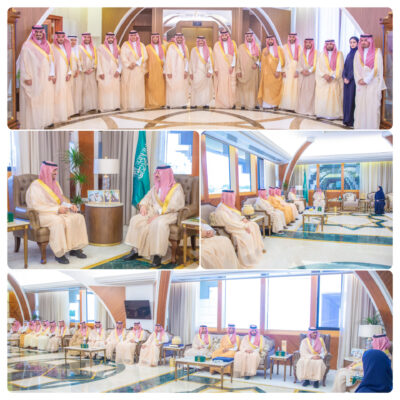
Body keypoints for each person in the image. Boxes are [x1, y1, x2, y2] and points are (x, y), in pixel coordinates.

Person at [26, 161, 89, 264]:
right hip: (42, 215)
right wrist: (56, 210)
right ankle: (59, 254)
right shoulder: (35, 186)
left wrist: (69, 206)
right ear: (47, 171)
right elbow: (36, 206)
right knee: (58, 221)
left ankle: (75, 248)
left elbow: (60, 201)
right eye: (54, 170)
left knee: (78, 217)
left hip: (57, 212)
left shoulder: (55, 184)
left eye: (56, 170)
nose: (56, 173)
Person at [124, 165, 185, 267]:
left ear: (165, 174)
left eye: (158, 173)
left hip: (168, 214)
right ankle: (135, 250)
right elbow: (147, 198)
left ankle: (157, 255)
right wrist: (143, 206)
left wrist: (158, 215)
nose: (156, 175)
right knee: (136, 219)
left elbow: (174, 205)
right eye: (156, 172)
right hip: (153, 211)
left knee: (158, 223)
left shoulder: (176, 188)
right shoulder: (156, 187)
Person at [214, 190, 264, 268]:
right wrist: (244, 226)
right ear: (226, 198)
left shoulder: (227, 206)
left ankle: (255, 252)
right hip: (230, 228)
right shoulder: (221, 210)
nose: (233, 200)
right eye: (231, 198)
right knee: (246, 235)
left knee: (254, 225)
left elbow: (236, 215)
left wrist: (242, 218)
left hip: (237, 224)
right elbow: (229, 223)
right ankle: (247, 258)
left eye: (233, 198)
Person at [19, 25, 55, 129]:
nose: (38, 34)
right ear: (33, 33)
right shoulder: (27, 45)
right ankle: (36, 122)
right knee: (35, 100)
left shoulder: (47, 45)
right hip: (34, 78)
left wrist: (52, 74)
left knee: (46, 100)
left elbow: (52, 61)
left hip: (46, 78)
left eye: (40, 32)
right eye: (36, 32)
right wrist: (26, 77)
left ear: (43, 33)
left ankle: (46, 121)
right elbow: (23, 63)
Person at [354, 34, 386, 129]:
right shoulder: (357, 53)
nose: (363, 42)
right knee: (360, 105)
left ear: (370, 41)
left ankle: (371, 128)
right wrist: (359, 79)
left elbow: (377, 68)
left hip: (373, 83)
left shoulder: (377, 52)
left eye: (365, 40)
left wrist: (367, 80)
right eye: (362, 40)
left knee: (372, 106)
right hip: (361, 83)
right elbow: (355, 68)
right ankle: (360, 127)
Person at [315, 40, 344, 120]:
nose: (329, 45)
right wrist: (324, 75)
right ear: (325, 45)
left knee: (333, 97)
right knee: (322, 97)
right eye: (327, 44)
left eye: (331, 44)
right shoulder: (321, 54)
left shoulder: (339, 54)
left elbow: (340, 67)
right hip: (324, 80)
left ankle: (333, 114)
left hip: (334, 79)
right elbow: (318, 67)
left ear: (334, 45)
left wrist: (333, 76)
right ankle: (322, 113)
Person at [121, 30, 148, 111]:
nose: (133, 37)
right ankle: (130, 105)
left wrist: (136, 63)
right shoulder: (125, 45)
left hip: (138, 69)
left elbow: (145, 56)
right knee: (129, 88)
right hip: (128, 69)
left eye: (134, 35)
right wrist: (129, 64)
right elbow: (122, 56)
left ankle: (139, 105)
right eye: (131, 35)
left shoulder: (141, 45)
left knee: (138, 87)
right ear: (129, 36)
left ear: (137, 36)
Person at [257, 35, 285, 110]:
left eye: (271, 39)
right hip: (267, 74)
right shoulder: (265, 50)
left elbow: (281, 60)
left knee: (276, 89)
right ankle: (267, 105)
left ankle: (275, 104)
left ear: (274, 40)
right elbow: (263, 62)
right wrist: (265, 55)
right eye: (268, 40)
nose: (270, 41)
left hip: (276, 73)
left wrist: (278, 70)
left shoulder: (279, 49)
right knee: (267, 89)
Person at [52, 32, 74, 125]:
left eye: (62, 37)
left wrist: (69, 73)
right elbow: (51, 62)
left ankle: (66, 114)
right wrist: (53, 75)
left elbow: (70, 62)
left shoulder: (67, 47)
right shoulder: (52, 47)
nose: (61, 39)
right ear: (56, 38)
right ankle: (57, 115)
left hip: (65, 75)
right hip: (57, 75)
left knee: (66, 94)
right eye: (59, 37)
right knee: (57, 94)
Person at [97, 32, 121, 112]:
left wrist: (119, 70)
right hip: (104, 72)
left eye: (112, 38)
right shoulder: (101, 48)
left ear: (114, 39)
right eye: (109, 38)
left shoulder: (117, 48)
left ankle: (115, 106)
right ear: (106, 38)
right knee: (104, 89)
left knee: (115, 89)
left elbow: (120, 60)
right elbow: (98, 61)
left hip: (115, 72)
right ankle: (104, 107)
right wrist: (100, 72)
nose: (110, 39)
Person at [213, 30, 237, 109]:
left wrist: (232, 66)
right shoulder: (217, 45)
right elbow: (215, 57)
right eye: (222, 35)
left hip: (230, 68)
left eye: (225, 35)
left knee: (231, 86)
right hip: (220, 69)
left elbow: (235, 56)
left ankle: (231, 103)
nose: (224, 37)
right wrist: (216, 68)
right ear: (221, 36)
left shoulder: (233, 44)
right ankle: (222, 103)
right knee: (221, 86)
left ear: (228, 35)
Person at [164, 33, 189, 108]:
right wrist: (168, 71)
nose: (179, 39)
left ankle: (182, 103)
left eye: (181, 38)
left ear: (182, 39)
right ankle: (171, 104)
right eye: (178, 38)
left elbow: (187, 60)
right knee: (172, 87)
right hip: (173, 71)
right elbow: (168, 60)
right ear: (175, 38)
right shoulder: (171, 47)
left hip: (182, 71)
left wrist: (186, 70)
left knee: (182, 87)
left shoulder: (185, 47)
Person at [236, 32, 260, 110]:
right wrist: (238, 70)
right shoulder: (241, 47)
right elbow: (238, 60)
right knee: (244, 88)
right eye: (247, 36)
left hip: (253, 70)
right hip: (244, 70)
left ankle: (255, 103)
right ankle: (243, 104)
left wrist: (256, 64)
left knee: (253, 87)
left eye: (250, 36)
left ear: (253, 37)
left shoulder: (257, 46)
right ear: (245, 37)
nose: (249, 37)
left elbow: (260, 58)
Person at [189, 36, 213, 108]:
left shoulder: (209, 50)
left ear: (204, 41)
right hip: (196, 72)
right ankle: (194, 103)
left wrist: (210, 71)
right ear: (197, 41)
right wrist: (191, 72)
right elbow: (191, 61)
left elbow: (211, 61)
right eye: (199, 41)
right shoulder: (194, 50)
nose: (201, 42)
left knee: (205, 88)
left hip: (205, 72)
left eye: (202, 41)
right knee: (195, 88)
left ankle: (206, 103)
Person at [295, 38, 318, 116]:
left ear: (312, 43)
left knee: (311, 93)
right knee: (303, 93)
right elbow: (298, 64)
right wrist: (302, 71)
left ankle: (310, 110)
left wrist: (310, 71)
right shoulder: (302, 53)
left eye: (309, 42)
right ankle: (302, 110)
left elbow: (317, 64)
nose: (308, 44)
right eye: (306, 43)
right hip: (303, 76)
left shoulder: (316, 53)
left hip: (312, 75)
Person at [280, 33, 301, 111]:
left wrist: (297, 71)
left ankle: (294, 106)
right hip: (287, 70)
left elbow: (301, 60)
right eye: (290, 37)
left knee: (295, 88)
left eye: (293, 37)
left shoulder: (299, 47)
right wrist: (283, 71)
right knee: (286, 88)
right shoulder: (284, 47)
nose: (291, 38)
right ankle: (286, 106)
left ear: (295, 38)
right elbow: (281, 60)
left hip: (296, 70)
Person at [145, 33, 166, 108]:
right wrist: (146, 70)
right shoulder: (147, 47)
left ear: (158, 38)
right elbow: (146, 60)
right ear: (151, 38)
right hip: (151, 70)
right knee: (151, 86)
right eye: (153, 37)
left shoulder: (163, 47)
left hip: (160, 70)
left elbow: (165, 60)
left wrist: (165, 70)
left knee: (160, 87)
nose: (155, 39)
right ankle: (152, 103)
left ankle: (160, 102)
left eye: (156, 37)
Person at [342, 37, 359, 127]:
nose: (352, 44)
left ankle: (351, 120)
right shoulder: (349, 54)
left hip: (353, 82)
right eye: (351, 42)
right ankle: (346, 119)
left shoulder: (358, 54)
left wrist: (349, 78)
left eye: (354, 42)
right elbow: (345, 67)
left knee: (352, 100)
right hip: (346, 82)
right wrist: (344, 77)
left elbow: (356, 69)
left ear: (357, 43)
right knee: (346, 100)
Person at [79, 33, 98, 113]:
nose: (87, 39)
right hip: (84, 73)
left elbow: (96, 59)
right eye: (85, 37)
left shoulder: (94, 48)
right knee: (84, 89)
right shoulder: (79, 48)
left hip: (92, 72)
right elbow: (78, 60)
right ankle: (85, 107)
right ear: (83, 38)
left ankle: (93, 106)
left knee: (92, 89)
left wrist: (93, 68)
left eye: (88, 37)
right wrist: (84, 70)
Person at [68, 35, 83, 115]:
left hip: (78, 75)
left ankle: (76, 110)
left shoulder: (79, 50)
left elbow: (81, 62)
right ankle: (70, 111)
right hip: (69, 75)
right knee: (70, 93)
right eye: (71, 40)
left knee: (77, 93)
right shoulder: (66, 49)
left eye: (74, 40)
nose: (73, 42)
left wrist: (78, 70)